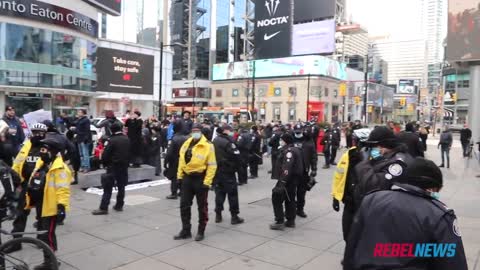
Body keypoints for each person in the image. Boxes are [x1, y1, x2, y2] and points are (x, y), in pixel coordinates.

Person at [343, 158, 468, 270]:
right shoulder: (439, 216)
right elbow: (452, 261)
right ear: (432, 188)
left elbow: (352, 245)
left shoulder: (371, 199)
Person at [24, 137, 71, 269]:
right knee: (43, 234)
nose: (41, 152)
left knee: (47, 235)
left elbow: (63, 190)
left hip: (50, 208)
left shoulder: (60, 169)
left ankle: (51, 262)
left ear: (53, 151)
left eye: (44, 150)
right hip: (41, 205)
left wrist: (61, 207)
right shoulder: (42, 163)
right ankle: (48, 260)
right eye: (41, 149)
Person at [5, 123, 47, 254]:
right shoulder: (25, 146)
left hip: (42, 188)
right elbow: (17, 163)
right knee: (20, 215)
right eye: (35, 132)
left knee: (42, 216)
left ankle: (42, 240)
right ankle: (16, 242)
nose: (37, 135)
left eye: (40, 133)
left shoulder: (49, 148)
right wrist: (15, 179)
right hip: (25, 186)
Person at [174, 124, 217, 241]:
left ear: (201, 132)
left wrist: (207, 182)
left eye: (197, 130)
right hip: (187, 178)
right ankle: (185, 230)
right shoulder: (186, 143)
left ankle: (201, 231)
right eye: (193, 130)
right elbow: (181, 161)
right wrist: (179, 177)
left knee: (202, 207)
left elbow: (212, 165)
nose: (195, 132)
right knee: (184, 205)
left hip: (200, 178)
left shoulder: (208, 146)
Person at [353, 126, 414, 207]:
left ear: (383, 146)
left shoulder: (397, 164)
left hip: (384, 209)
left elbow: (371, 185)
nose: (371, 150)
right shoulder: (386, 158)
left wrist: (364, 162)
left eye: (373, 146)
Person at [331, 128, 370, 243]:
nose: (354, 142)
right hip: (349, 201)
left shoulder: (375, 157)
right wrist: (335, 197)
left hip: (366, 202)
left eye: (356, 140)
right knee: (347, 232)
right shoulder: (348, 155)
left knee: (363, 234)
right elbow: (339, 176)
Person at [92, 122, 130, 215]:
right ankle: (119, 205)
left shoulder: (112, 140)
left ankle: (103, 208)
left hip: (113, 166)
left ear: (112, 130)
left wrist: (104, 164)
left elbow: (105, 155)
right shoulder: (126, 138)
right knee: (121, 186)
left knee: (108, 187)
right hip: (123, 166)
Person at [270, 133, 304, 230]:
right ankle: (290, 221)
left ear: (285, 141)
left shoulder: (289, 151)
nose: (280, 141)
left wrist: (282, 182)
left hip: (287, 180)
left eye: (281, 140)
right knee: (290, 199)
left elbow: (287, 168)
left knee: (276, 197)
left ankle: (279, 221)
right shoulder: (294, 149)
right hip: (292, 180)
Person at [212, 125, 244, 225]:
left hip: (217, 171)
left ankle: (218, 214)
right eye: (230, 130)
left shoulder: (215, 140)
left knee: (219, 193)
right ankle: (234, 216)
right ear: (225, 131)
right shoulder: (229, 141)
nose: (231, 131)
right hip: (228, 171)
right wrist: (239, 168)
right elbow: (236, 155)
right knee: (232, 194)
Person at [292, 124, 317, 218]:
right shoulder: (290, 139)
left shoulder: (309, 141)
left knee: (301, 192)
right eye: (296, 131)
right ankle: (291, 208)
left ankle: (300, 209)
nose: (298, 133)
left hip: (304, 171)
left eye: (299, 131)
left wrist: (314, 169)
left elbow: (313, 156)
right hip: (292, 171)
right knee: (291, 192)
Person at [165, 121, 188, 199]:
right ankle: (181, 191)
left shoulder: (174, 138)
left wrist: (166, 162)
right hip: (184, 160)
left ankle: (173, 193)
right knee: (182, 175)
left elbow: (169, 153)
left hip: (174, 160)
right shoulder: (187, 138)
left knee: (174, 177)